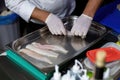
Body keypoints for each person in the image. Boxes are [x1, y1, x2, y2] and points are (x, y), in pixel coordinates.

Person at [5, 0, 103, 38]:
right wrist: (47, 17)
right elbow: (12, 1)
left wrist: (87, 15)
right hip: (38, 21)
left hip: (73, 9)